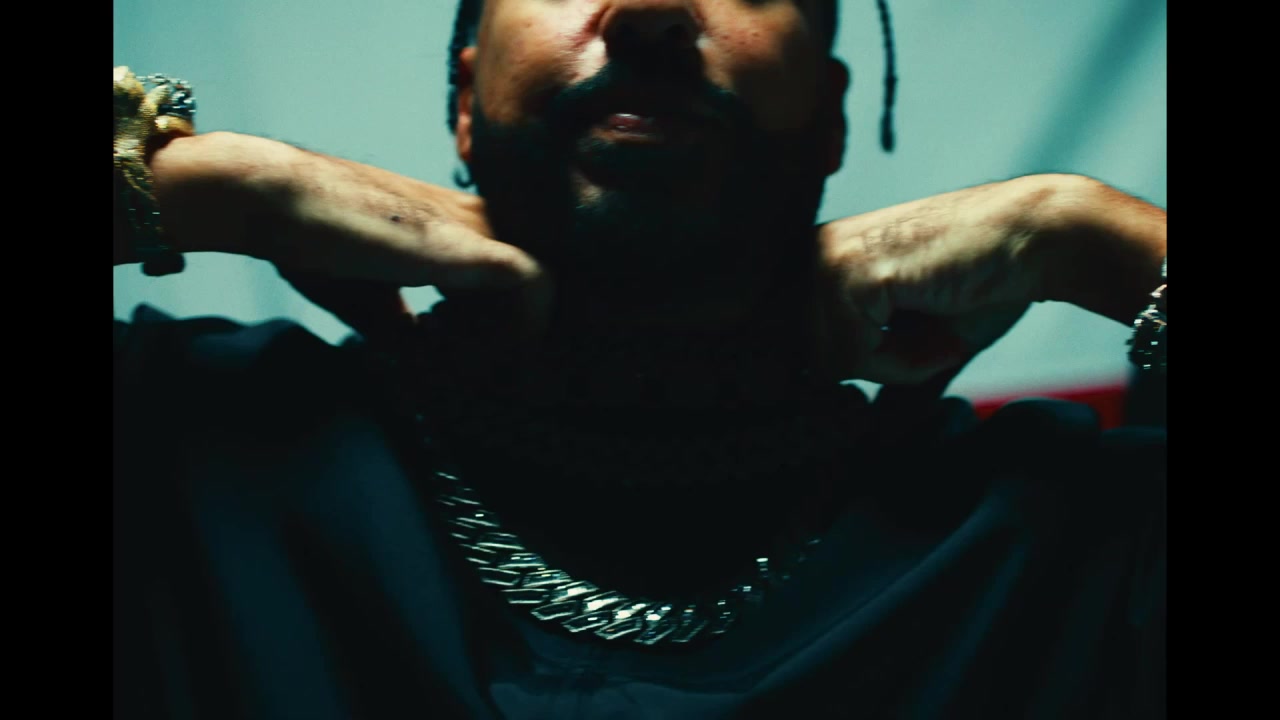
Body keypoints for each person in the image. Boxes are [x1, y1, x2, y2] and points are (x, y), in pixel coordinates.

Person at [113, 1, 1166, 718]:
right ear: (465, 102)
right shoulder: (184, 444)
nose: (650, 11)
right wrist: (220, 189)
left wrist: (1089, 238)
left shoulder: (1058, 534)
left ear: (833, 117)